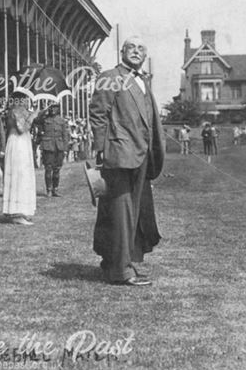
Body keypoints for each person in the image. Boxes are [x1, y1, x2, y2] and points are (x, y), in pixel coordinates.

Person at [89, 36, 165, 286]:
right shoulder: (111, 76)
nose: (136, 51)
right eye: (131, 47)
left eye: (141, 48)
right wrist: (101, 151)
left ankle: (115, 262)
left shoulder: (143, 81)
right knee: (121, 212)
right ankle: (121, 270)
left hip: (141, 156)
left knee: (133, 212)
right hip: (119, 155)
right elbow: (98, 114)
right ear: (122, 51)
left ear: (145, 55)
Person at [1, 98, 37, 225]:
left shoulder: (19, 110)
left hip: (22, 142)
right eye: (25, 99)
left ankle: (22, 211)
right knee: (19, 175)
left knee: (24, 175)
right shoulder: (16, 111)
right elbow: (22, 128)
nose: (27, 102)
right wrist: (32, 116)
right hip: (18, 142)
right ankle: (16, 212)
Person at [36, 104, 71, 197]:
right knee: (48, 169)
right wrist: (45, 109)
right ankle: (49, 190)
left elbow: (65, 135)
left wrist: (65, 148)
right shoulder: (44, 119)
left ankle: (55, 189)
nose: (53, 109)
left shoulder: (61, 120)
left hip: (59, 147)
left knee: (57, 169)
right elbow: (37, 119)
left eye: (55, 107)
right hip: (48, 147)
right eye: (51, 107)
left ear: (58, 109)